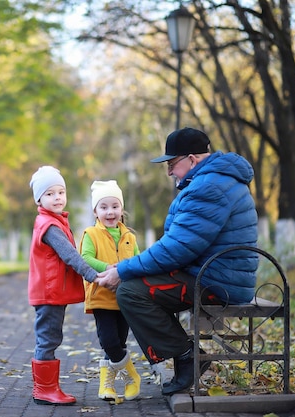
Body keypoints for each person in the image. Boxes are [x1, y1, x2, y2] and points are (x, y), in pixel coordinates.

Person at [96, 127, 258, 395]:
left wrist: (123, 271)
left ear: (192, 160)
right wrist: (126, 268)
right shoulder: (214, 181)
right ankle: (182, 355)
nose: (170, 172)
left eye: (172, 164)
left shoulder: (209, 187)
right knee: (134, 283)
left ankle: (187, 356)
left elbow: (177, 249)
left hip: (216, 282)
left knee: (130, 292)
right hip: (215, 274)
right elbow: (179, 245)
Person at [28, 166, 99, 406]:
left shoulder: (54, 221)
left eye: (61, 192)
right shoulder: (49, 226)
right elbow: (69, 255)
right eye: (50, 194)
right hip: (48, 293)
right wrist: (92, 275)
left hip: (51, 292)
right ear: (39, 199)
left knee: (50, 337)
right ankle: (44, 390)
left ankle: (47, 388)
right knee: (48, 339)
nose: (57, 197)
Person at [79, 180, 141, 401]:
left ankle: (107, 387)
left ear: (121, 209)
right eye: (103, 207)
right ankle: (133, 377)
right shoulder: (90, 234)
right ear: (95, 211)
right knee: (109, 341)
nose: (110, 212)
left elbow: (138, 262)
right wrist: (107, 268)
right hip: (101, 297)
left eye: (115, 206)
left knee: (120, 342)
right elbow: (85, 258)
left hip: (125, 298)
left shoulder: (130, 237)